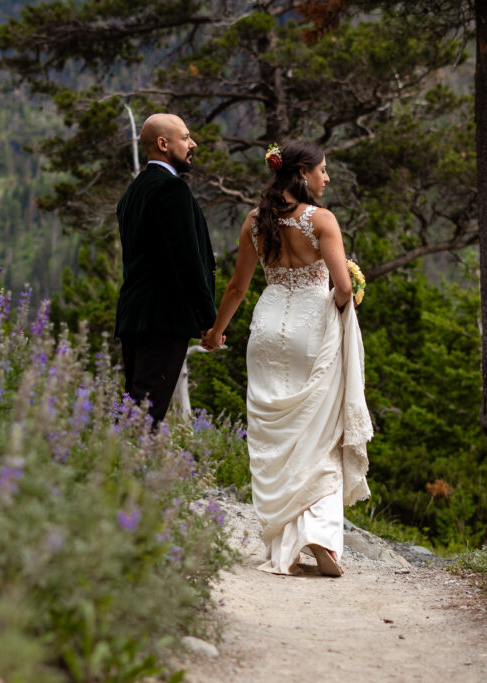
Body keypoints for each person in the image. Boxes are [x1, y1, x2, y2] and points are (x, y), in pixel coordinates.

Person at [201, 141, 372, 577]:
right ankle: (322, 538)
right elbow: (343, 287)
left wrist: (217, 331)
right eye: (322, 171)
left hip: (266, 329)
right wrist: (342, 311)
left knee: (277, 438)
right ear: (301, 173)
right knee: (318, 433)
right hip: (311, 330)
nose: (326, 178)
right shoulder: (322, 221)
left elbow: (237, 288)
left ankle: (287, 540)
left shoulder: (255, 222)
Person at [115, 113, 216, 423]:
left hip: (136, 315)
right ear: (162, 144)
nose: (192, 143)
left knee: (136, 407)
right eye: (185, 137)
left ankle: (113, 465)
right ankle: (114, 467)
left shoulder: (132, 193)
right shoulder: (171, 190)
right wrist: (208, 320)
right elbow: (187, 260)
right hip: (163, 318)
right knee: (144, 416)